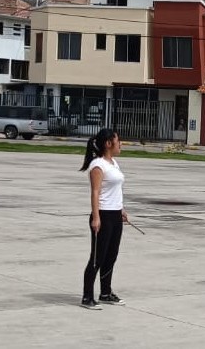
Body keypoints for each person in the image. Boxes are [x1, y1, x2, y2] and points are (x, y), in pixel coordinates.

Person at [79, 128, 128, 310]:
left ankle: (105, 293)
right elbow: (95, 192)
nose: (120, 144)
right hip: (103, 216)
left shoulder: (113, 163)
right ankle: (87, 297)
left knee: (111, 256)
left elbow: (114, 190)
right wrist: (96, 217)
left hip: (115, 214)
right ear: (108, 143)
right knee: (97, 258)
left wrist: (121, 209)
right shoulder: (98, 165)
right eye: (118, 141)